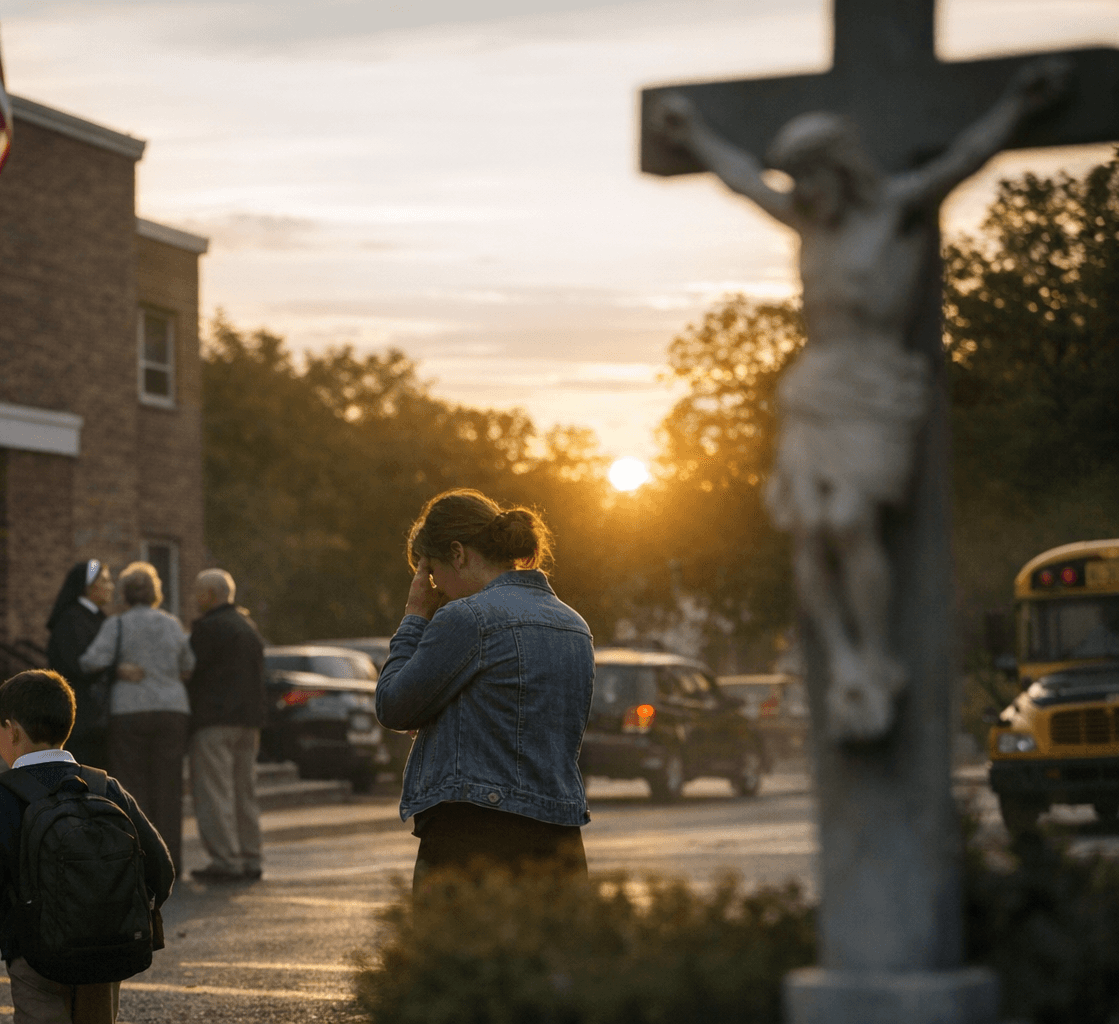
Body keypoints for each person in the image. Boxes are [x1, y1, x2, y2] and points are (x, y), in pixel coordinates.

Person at [648, 58, 1068, 740]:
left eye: (809, 177)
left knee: (848, 519)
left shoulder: (894, 208)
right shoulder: (807, 221)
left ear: (840, 169)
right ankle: (844, 660)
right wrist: (692, 132)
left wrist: (1019, 105)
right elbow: (743, 179)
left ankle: (877, 656)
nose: (800, 192)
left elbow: (964, 157)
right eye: (794, 181)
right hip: (818, 383)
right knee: (810, 533)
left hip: (877, 382)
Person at [375, 488, 594, 888]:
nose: (435, 587)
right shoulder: (573, 624)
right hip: (559, 839)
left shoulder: (467, 618)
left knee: (455, 934)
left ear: (457, 554)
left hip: (474, 838)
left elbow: (393, 706)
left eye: (431, 572)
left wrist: (415, 615)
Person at [0, 670, 174, 1024]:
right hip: (105, 951)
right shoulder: (105, 787)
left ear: (12, 730)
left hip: (34, 954)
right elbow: (161, 868)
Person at [80, 562, 195, 877]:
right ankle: (171, 861)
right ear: (156, 592)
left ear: (125, 594)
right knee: (168, 787)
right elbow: (188, 665)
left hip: (129, 710)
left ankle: (139, 860)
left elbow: (89, 662)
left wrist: (118, 668)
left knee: (132, 786)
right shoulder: (172, 624)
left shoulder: (116, 625)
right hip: (172, 709)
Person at [185, 568, 266, 882]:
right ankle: (250, 856)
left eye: (198, 592)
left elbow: (190, 670)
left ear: (210, 595)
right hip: (248, 721)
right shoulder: (248, 626)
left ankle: (226, 860)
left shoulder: (208, 628)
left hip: (214, 720)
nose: (195, 598)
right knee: (245, 791)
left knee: (215, 793)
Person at [45, 559, 115, 766]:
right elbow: (74, 666)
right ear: (88, 586)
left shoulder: (97, 618)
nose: (111, 586)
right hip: (81, 718)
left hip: (98, 718)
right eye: (105, 581)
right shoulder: (71, 620)